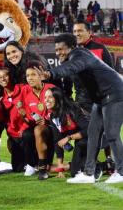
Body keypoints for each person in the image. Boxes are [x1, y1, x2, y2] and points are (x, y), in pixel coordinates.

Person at [35, 33, 123, 184]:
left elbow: (69, 68)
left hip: (114, 94)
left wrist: (50, 73)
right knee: (93, 133)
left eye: (61, 49)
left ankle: (121, 172)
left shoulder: (80, 55)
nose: (58, 53)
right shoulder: (76, 57)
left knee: (112, 134)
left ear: (72, 47)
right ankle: (89, 173)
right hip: (100, 98)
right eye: (56, 50)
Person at [73, 20, 115, 173]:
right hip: (82, 100)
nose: (77, 34)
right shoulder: (74, 52)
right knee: (91, 131)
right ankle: (93, 161)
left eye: (80, 31)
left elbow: (111, 74)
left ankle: (110, 160)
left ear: (89, 32)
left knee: (107, 130)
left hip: (101, 98)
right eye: (75, 31)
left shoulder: (100, 49)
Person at [0, 67, 37, 176]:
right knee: (17, 168)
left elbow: (33, 102)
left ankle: (35, 163)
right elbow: (0, 119)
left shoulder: (23, 89)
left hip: (28, 131)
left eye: (5, 76)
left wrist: (25, 126)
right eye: (0, 77)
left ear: (10, 76)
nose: (3, 79)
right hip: (14, 135)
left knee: (28, 137)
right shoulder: (1, 98)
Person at [44, 87, 89, 178]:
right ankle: (87, 163)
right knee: (74, 173)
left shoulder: (72, 109)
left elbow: (88, 130)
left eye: (50, 97)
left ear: (58, 98)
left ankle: (106, 165)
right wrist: (60, 168)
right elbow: (58, 141)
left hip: (95, 137)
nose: (46, 100)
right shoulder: (53, 116)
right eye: (45, 97)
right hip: (80, 141)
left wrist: (69, 138)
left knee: (81, 145)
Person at [21, 62, 55, 180]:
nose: (30, 78)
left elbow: (59, 108)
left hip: (53, 125)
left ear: (40, 76)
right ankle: (32, 164)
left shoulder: (51, 88)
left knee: (38, 129)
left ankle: (42, 167)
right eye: (27, 76)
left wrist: (46, 119)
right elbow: (29, 116)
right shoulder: (27, 93)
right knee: (26, 134)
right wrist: (25, 117)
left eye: (33, 75)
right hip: (37, 125)